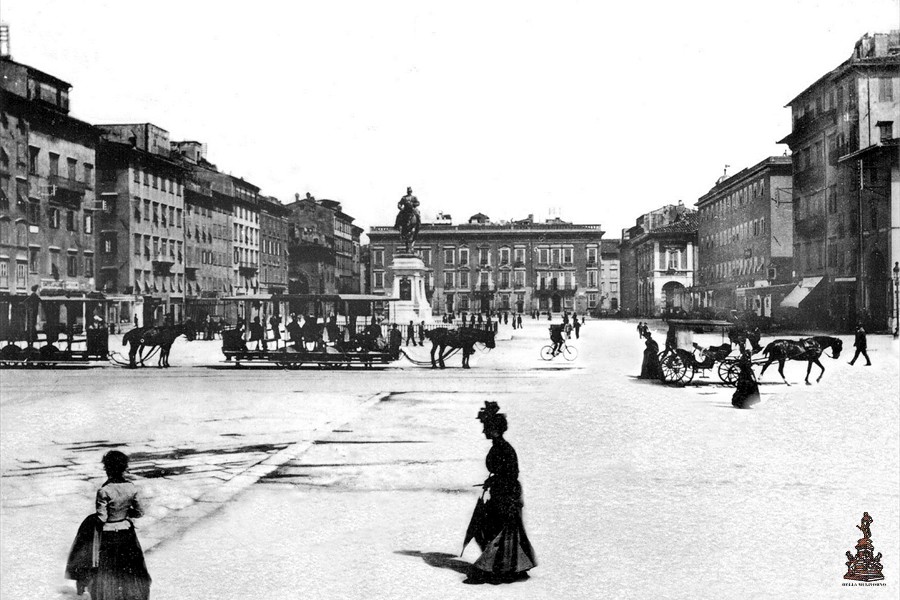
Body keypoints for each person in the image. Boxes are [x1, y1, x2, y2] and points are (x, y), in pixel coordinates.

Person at [464, 402, 536, 583]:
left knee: (499, 531)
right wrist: (493, 481)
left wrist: (496, 483)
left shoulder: (503, 448)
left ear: (493, 429)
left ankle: (496, 569)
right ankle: (507, 568)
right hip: (502, 492)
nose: (483, 432)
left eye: (485, 427)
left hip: (507, 494)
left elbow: (511, 474)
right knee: (495, 530)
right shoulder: (499, 446)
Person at [66, 450, 151, 599]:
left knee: (106, 567)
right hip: (126, 532)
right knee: (129, 567)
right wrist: (126, 514)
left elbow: (102, 517)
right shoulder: (132, 487)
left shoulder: (104, 490)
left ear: (107, 469)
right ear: (124, 468)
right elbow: (139, 512)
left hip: (108, 534)